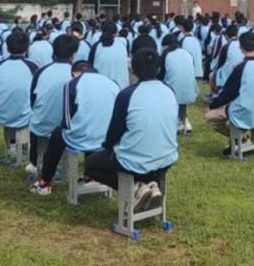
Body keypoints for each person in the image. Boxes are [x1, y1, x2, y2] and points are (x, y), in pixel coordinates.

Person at [85, 49, 179, 212]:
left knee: (91, 165)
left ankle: (137, 188)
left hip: (136, 159)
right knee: (137, 153)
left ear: (133, 69)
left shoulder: (127, 94)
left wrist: (107, 146)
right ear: (159, 68)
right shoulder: (169, 90)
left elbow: (115, 131)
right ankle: (150, 185)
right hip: (167, 156)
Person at [30, 60, 120, 195]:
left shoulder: (72, 84)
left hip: (83, 138)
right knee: (91, 127)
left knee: (58, 133)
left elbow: (67, 121)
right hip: (106, 139)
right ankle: (91, 176)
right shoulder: (112, 83)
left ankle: (45, 181)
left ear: (74, 73)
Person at [204, 32, 254, 153]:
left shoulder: (241, 67)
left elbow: (227, 93)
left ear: (241, 47)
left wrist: (212, 105)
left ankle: (239, 139)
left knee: (210, 117)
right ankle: (240, 139)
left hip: (244, 110)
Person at [27, 35, 79, 172]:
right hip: (69, 128)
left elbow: (32, 100)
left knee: (35, 118)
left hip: (42, 123)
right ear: (74, 54)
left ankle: (34, 162)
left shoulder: (40, 71)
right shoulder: (77, 74)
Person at [0, 33, 37, 162]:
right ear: (27, 47)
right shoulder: (32, 65)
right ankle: (24, 147)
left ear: (7, 47)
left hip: (2, 111)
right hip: (24, 113)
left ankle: (11, 146)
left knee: (13, 105)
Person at [159, 35, 199, 134]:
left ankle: (178, 123)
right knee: (181, 100)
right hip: (190, 89)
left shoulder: (166, 55)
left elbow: (160, 75)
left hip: (172, 92)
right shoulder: (187, 53)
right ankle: (184, 122)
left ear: (166, 45)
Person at [88, 21, 130, 89]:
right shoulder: (122, 46)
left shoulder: (96, 47)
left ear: (101, 31)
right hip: (121, 86)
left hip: (100, 86)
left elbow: (90, 65)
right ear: (116, 33)